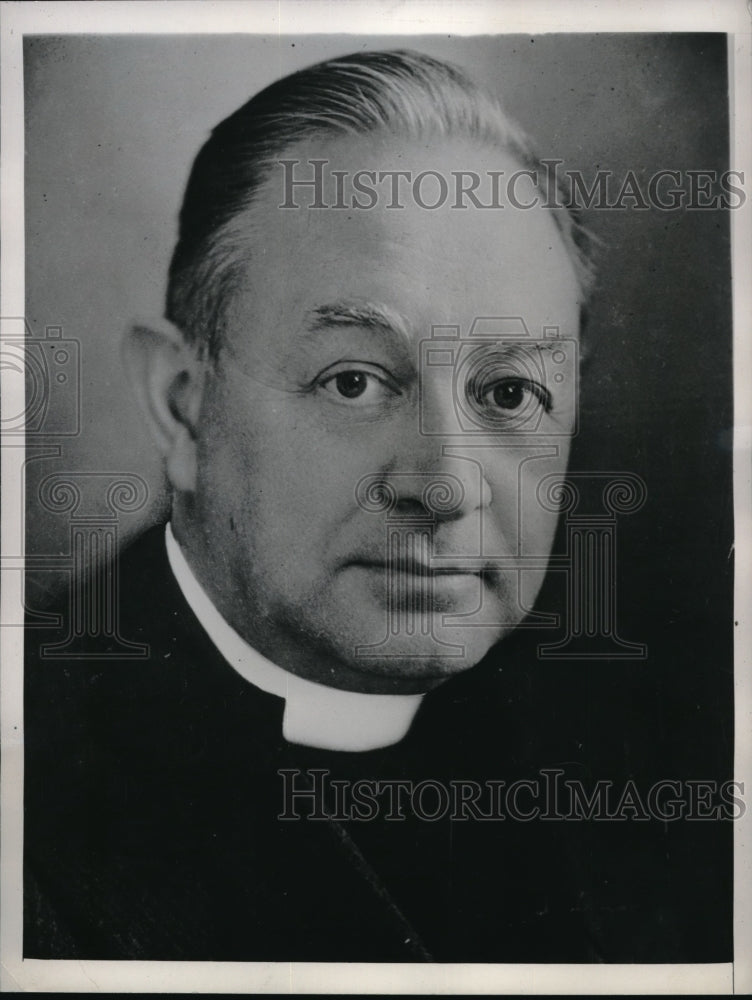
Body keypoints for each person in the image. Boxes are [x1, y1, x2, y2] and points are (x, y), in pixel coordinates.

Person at [23, 49, 717, 963]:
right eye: (353, 381)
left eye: (510, 394)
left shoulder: (666, 760)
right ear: (182, 403)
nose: (442, 486)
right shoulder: (29, 780)